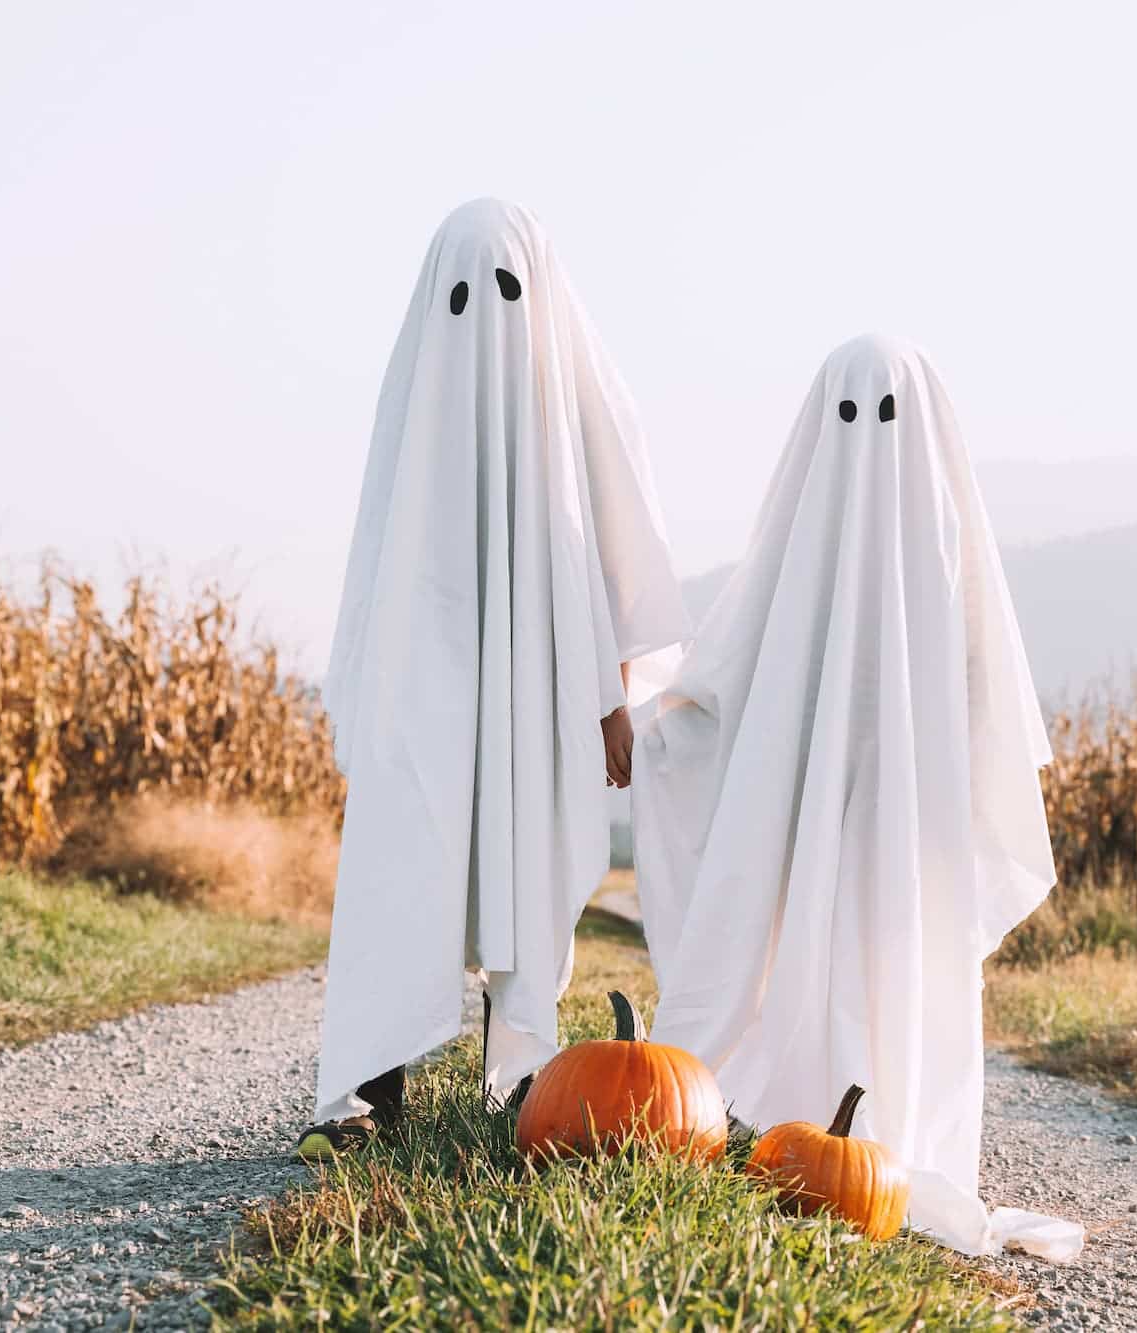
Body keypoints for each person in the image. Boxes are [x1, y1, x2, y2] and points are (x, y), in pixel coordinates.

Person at [631, 334, 1081, 1260]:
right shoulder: (802, 549)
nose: (868, 443)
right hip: (810, 805)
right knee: (811, 929)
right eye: (849, 416)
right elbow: (736, 665)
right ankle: (815, 1112)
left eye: (887, 419)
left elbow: (986, 689)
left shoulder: (946, 553)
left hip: (910, 816)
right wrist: (667, 713)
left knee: (892, 942)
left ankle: (869, 1119)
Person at [299, 199, 689, 1156]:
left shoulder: (577, 408)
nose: (484, 317)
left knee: (529, 854)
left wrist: (613, 696)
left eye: (506, 292)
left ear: (542, 298)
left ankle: (520, 1074)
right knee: (403, 860)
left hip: (544, 684)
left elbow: (619, 550)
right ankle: (367, 1086)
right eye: (464, 296)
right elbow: (372, 573)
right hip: (420, 683)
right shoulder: (412, 419)